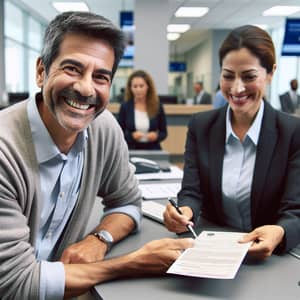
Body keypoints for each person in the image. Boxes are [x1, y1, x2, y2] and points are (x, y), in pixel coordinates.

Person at [0, 12, 193, 300]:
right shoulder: (5, 151)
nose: (86, 88)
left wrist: (99, 239)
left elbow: (128, 202)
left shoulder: (102, 128)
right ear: (41, 71)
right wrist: (134, 263)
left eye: (100, 76)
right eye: (72, 68)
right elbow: (15, 283)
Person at [164, 25, 300, 260]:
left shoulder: (292, 132)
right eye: (228, 76)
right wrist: (184, 211)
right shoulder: (201, 126)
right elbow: (192, 192)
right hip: (214, 252)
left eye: (249, 76)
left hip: (272, 258)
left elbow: (295, 210)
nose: (236, 88)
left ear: (270, 73)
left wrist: (280, 230)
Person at [118, 70, 167, 150]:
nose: (138, 90)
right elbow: (119, 133)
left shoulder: (157, 106)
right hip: (131, 149)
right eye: (135, 86)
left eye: (141, 86)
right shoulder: (125, 107)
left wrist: (156, 136)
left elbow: (164, 133)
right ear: (130, 88)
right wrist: (131, 136)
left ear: (148, 87)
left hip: (153, 149)